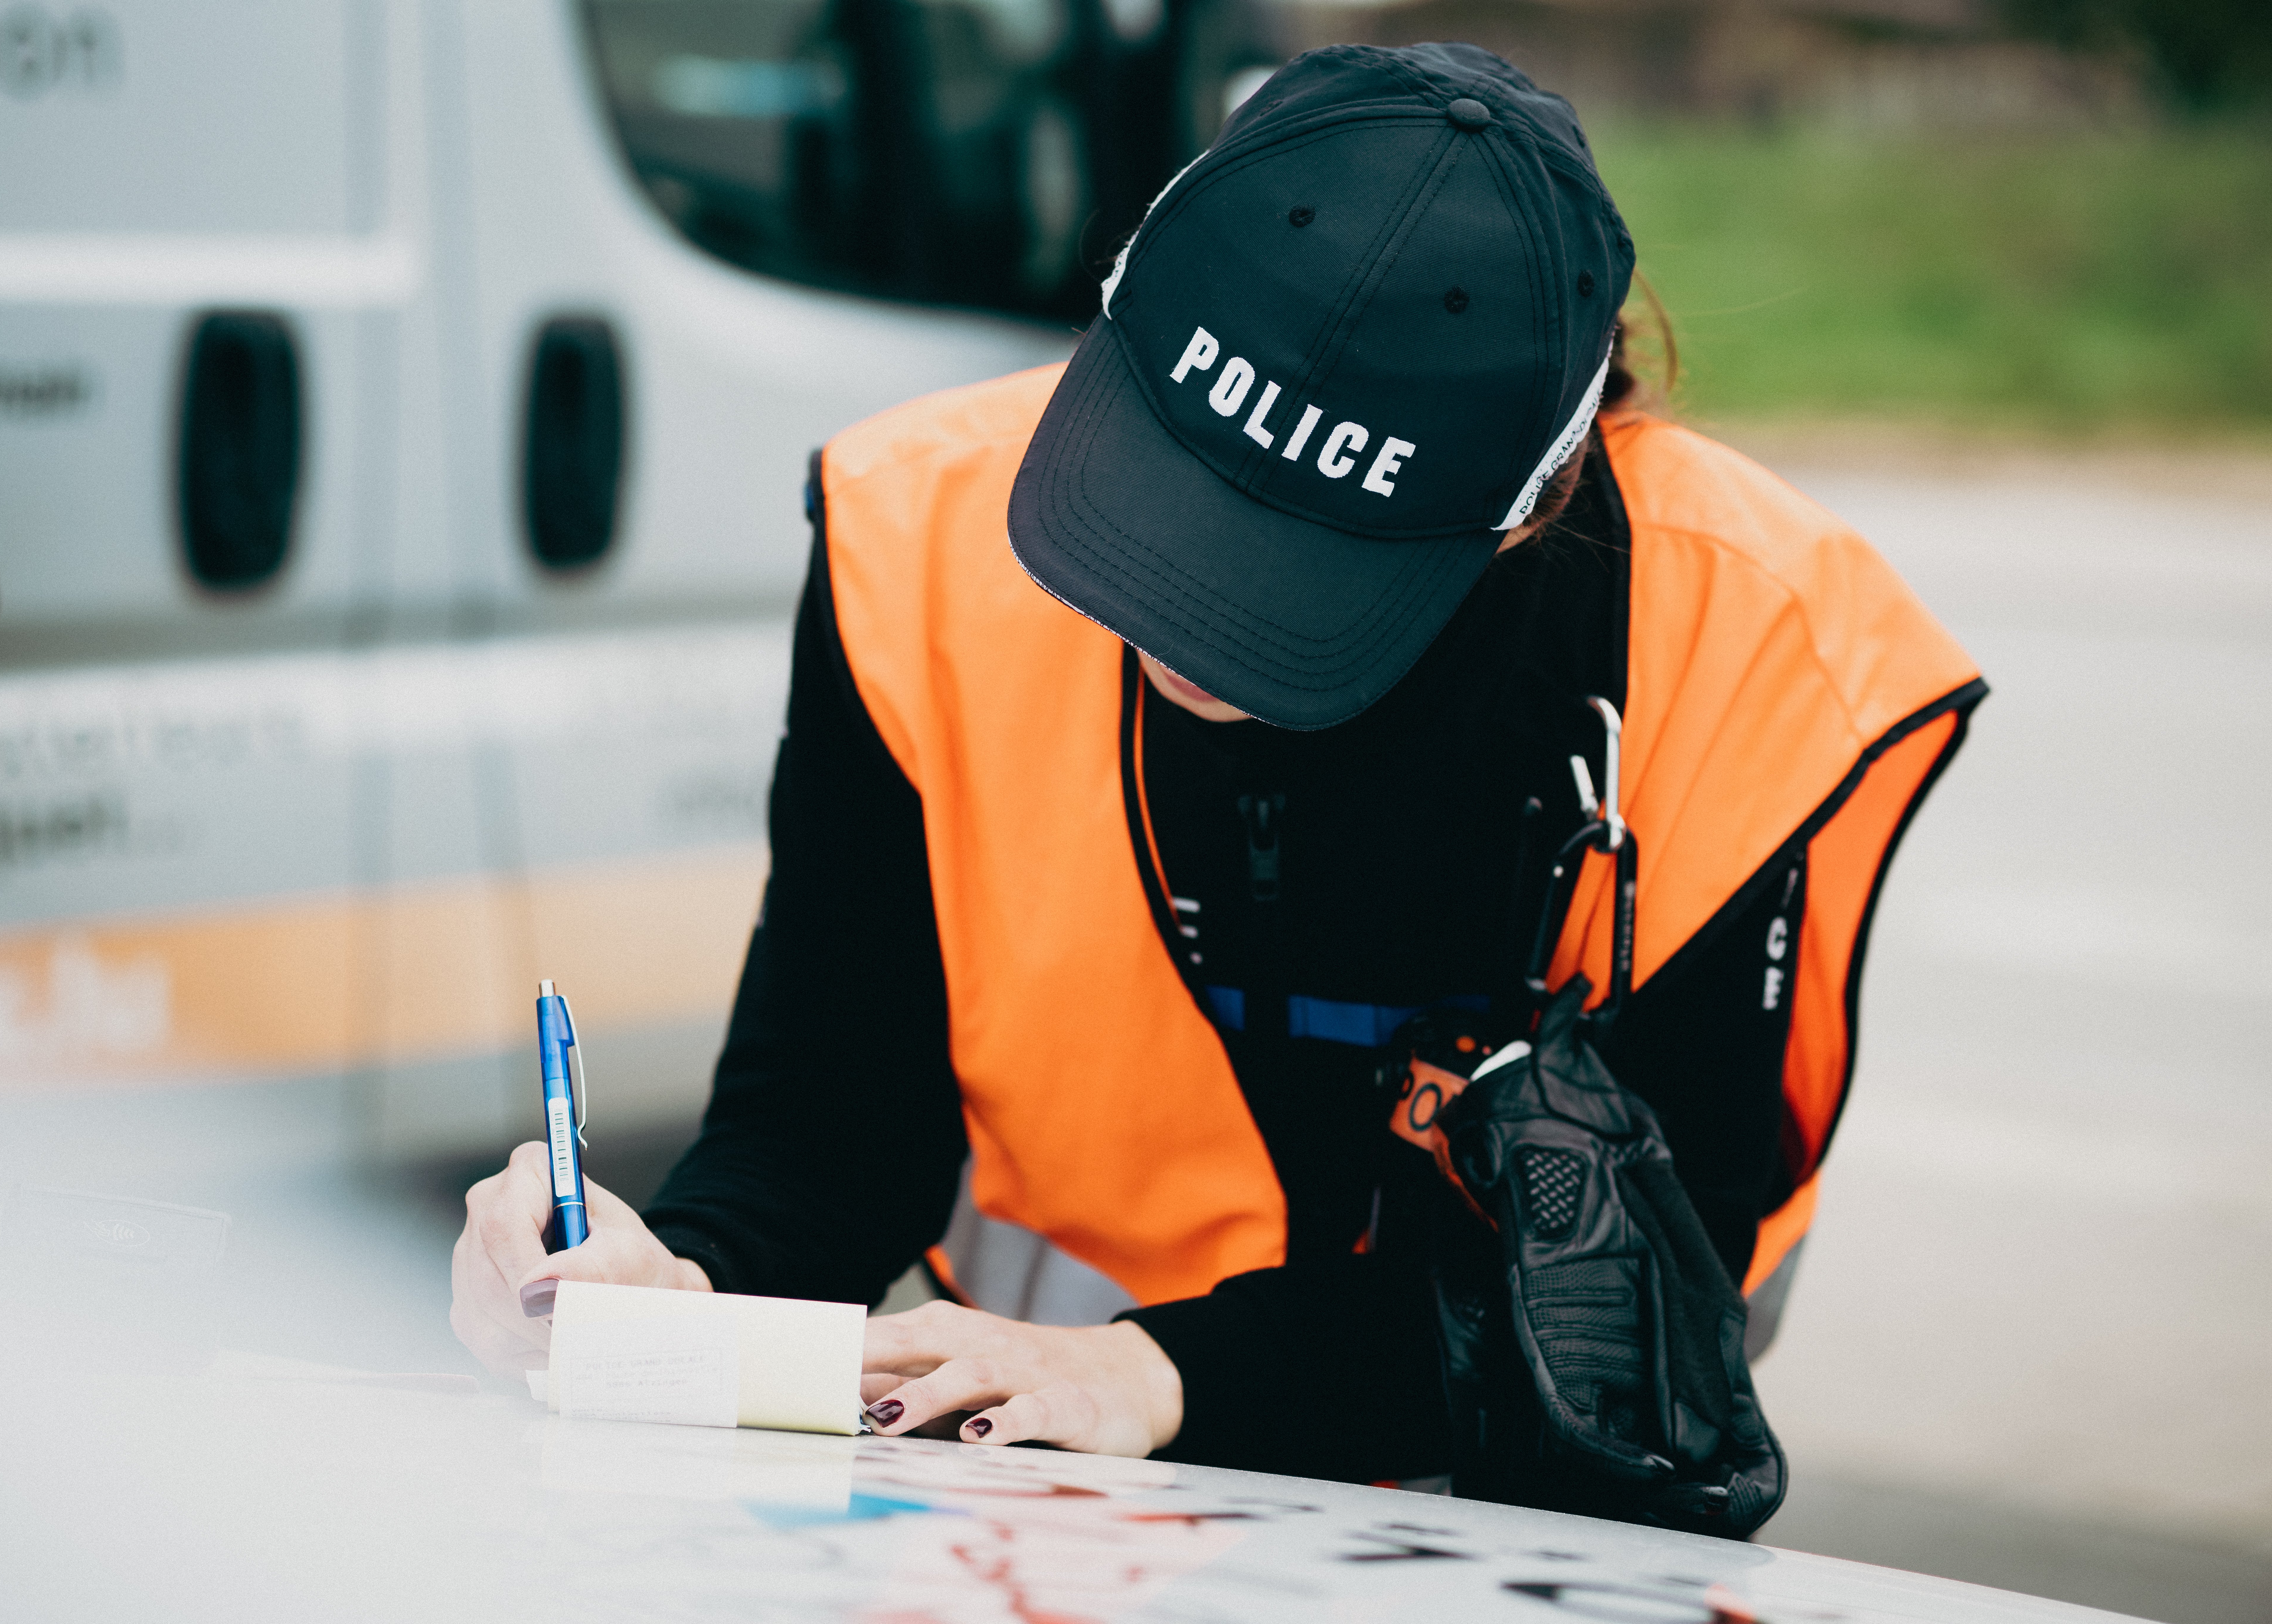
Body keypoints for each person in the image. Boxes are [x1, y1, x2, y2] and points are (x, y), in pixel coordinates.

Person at [451, 43, 1983, 1491]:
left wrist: (1165, 1377)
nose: (1182, 611)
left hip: (1515, 1482)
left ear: (1521, 509)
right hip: (1050, 1477)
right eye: (1159, 488)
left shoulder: (1755, 645)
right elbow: (830, 1121)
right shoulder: (907, 532)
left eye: (1288, 573)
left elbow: (1660, 1289)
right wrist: (673, 1283)